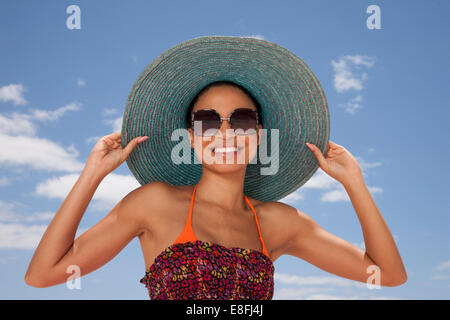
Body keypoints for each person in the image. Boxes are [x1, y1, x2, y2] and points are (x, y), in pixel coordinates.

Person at [24, 36, 407, 300]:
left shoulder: (280, 223)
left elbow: (387, 275)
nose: (224, 132)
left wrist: (354, 182)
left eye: (240, 120)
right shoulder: (152, 204)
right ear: (191, 138)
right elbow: (43, 274)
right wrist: (92, 174)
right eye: (207, 121)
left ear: (257, 135)